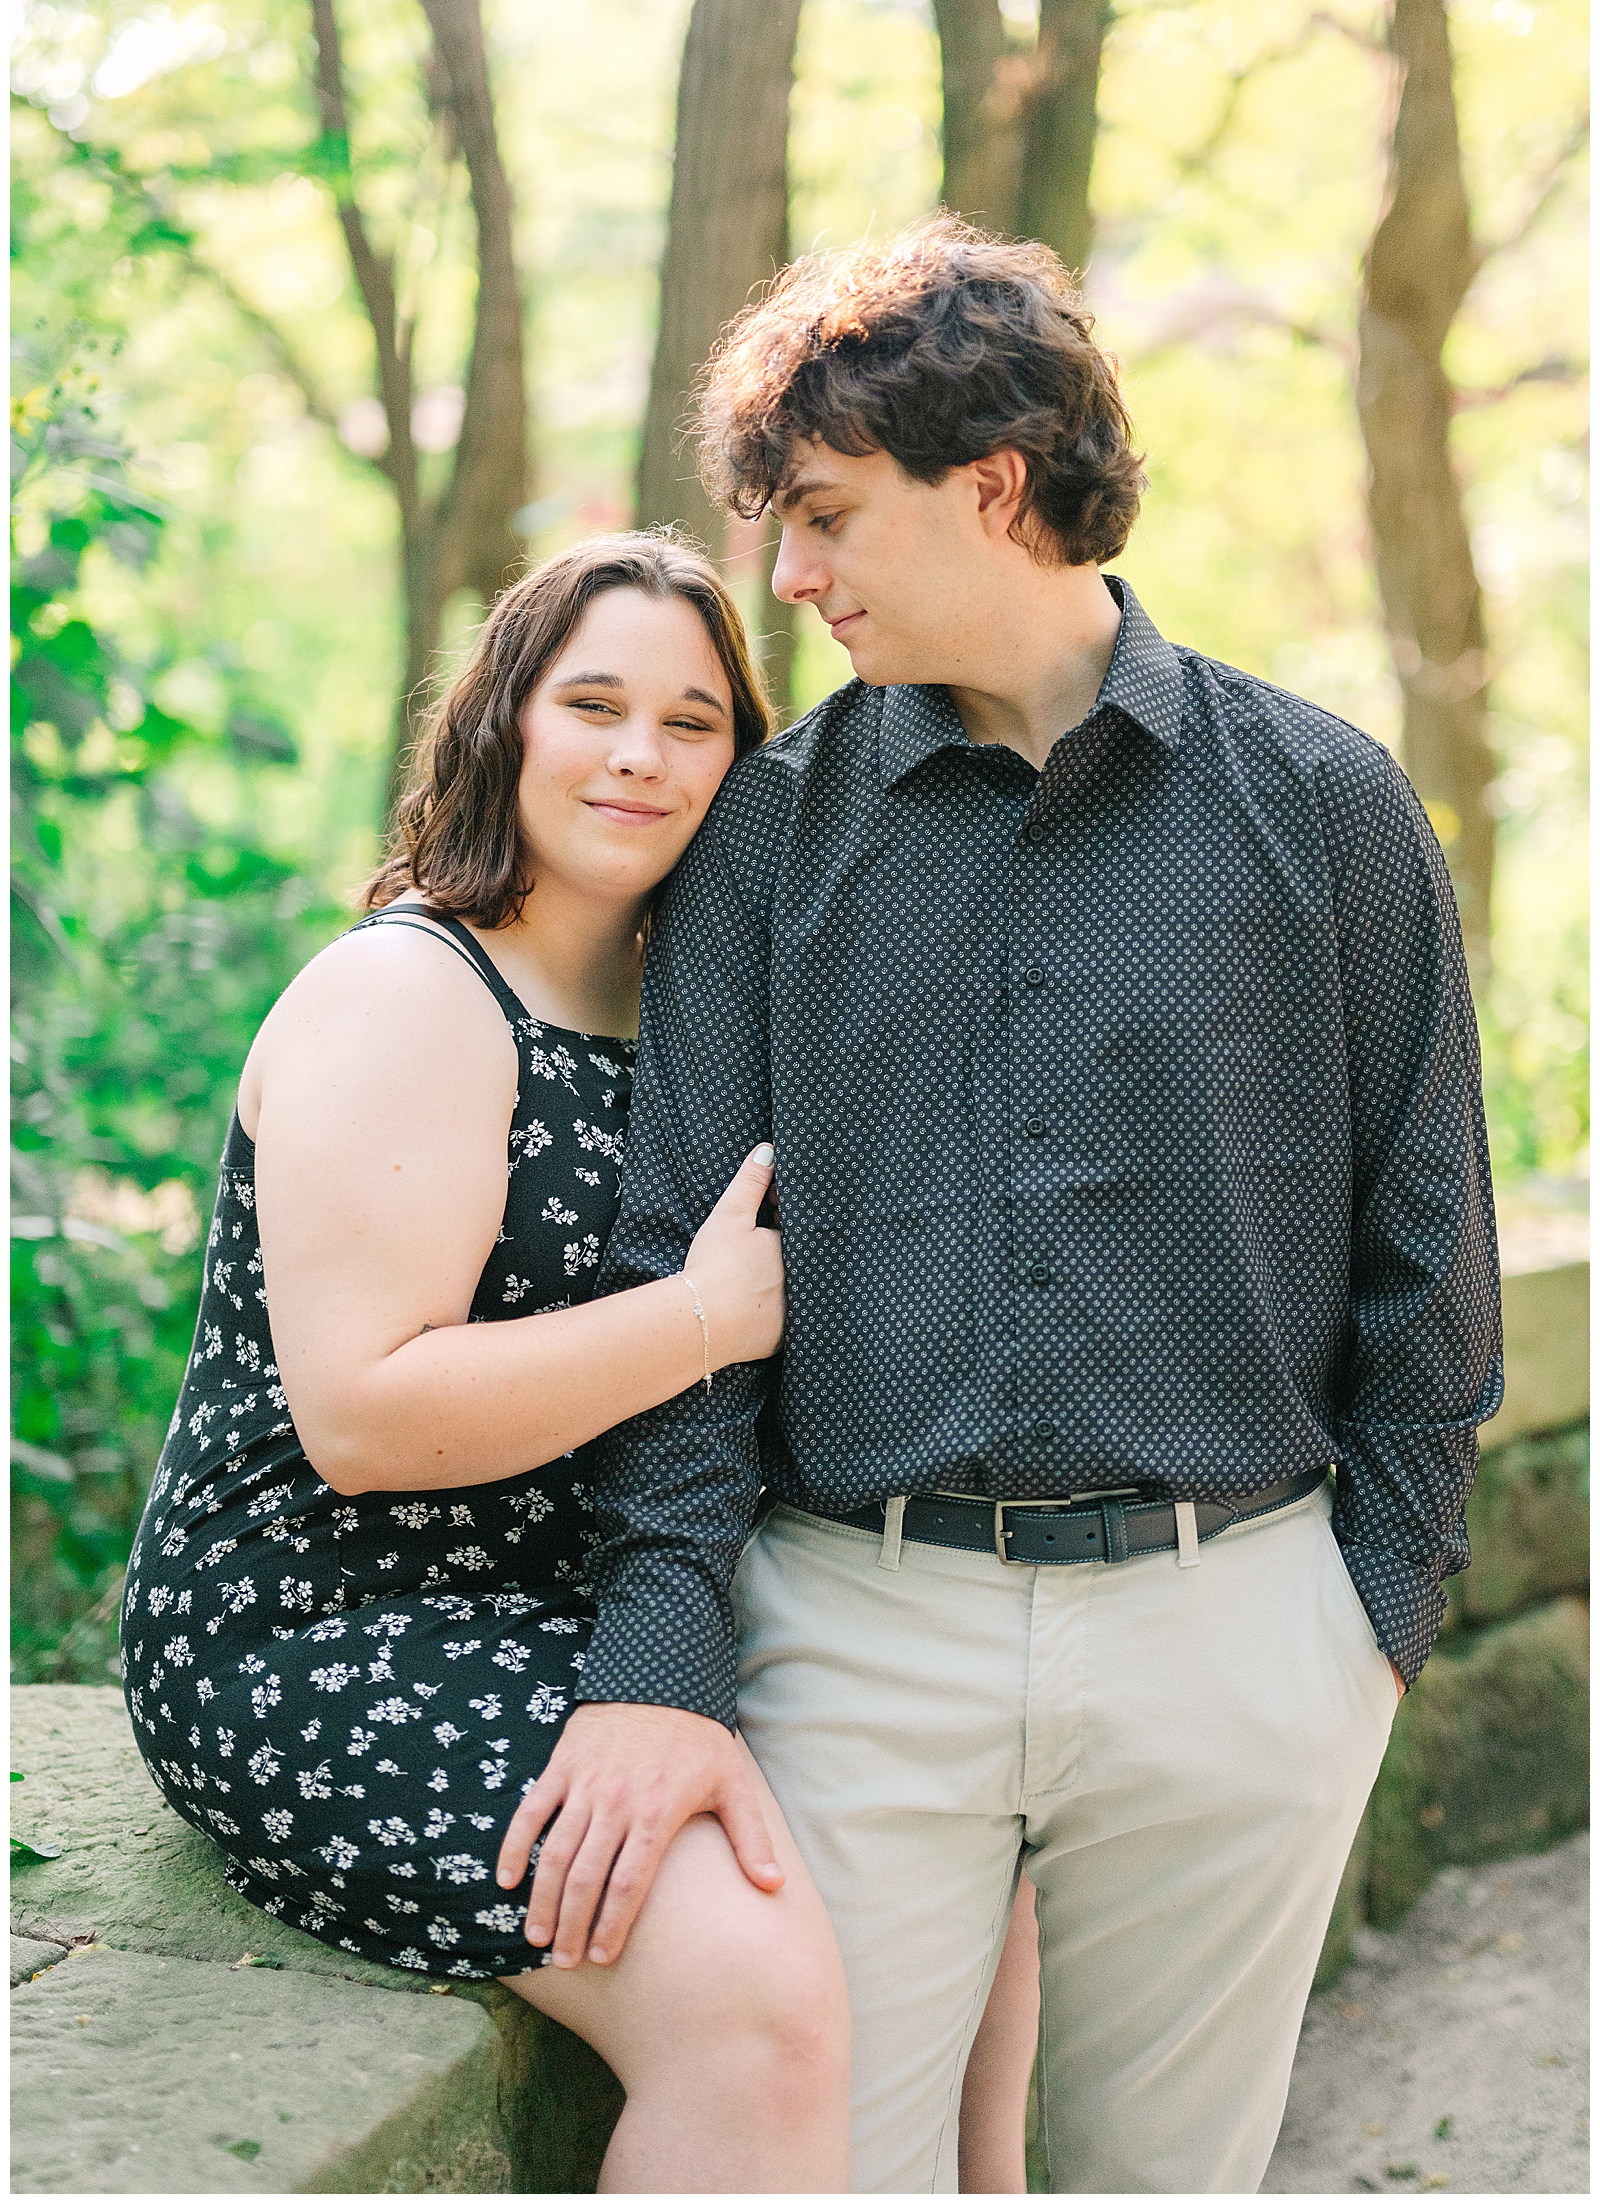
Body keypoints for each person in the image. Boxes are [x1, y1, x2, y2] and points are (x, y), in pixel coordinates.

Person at [498, 218, 1503, 2194]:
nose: (783, 575)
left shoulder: (1324, 804)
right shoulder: (766, 835)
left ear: (994, 485)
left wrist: (1359, 1629)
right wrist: (663, 1653)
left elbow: (1425, 1246)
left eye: (823, 516)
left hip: (1242, 1636)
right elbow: (671, 1272)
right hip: (855, 1635)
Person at [119, 535, 854, 2195]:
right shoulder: (409, 993)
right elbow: (364, 1415)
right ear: (504, 722)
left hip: (575, 1601)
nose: (638, 755)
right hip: (322, 1618)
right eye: (591, 702)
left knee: (962, 1835)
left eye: (693, 721)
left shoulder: (697, 1006)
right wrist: (703, 1318)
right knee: (757, 2004)